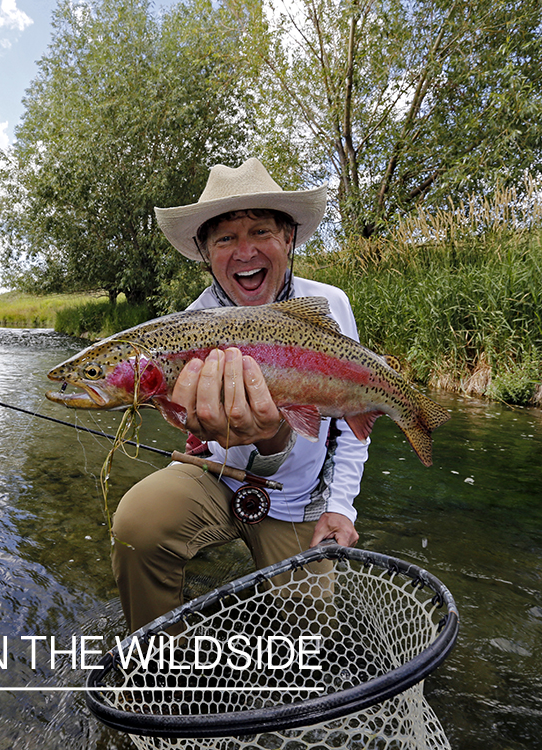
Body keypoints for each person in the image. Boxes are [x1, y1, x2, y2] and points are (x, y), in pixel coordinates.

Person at [110, 158, 368, 632]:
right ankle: (153, 671)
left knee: (314, 640)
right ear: (206, 253)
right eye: (225, 238)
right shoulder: (187, 329)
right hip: (217, 477)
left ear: (288, 237)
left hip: (298, 499)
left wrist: (340, 506)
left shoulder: (331, 305)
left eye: (261, 232)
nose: (244, 251)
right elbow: (196, 441)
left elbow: (354, 422)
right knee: (137, 525)